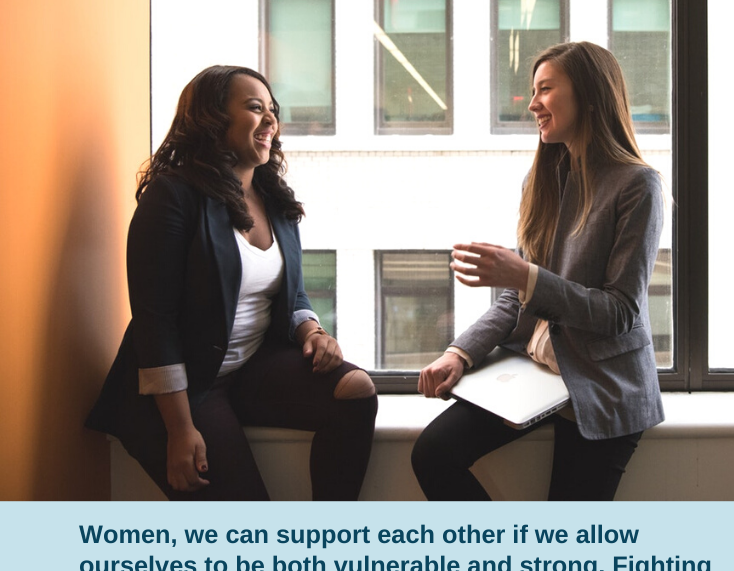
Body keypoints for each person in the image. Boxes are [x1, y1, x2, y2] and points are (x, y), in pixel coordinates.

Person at [86, 65, 377, 501]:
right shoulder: (172, 196)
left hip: (246, 369)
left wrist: (312, 330)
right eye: (255, 108)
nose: (270, 120)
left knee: (356, 391)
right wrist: (180, 430)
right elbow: (155, 322)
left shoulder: (273, 198)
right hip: (182, 391)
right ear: (212, 119)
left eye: (273, 111)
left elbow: (290, 291)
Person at [412, 42, 665, 501]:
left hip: (602, 384)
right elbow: (516, 298)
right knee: (432, 453)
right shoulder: (542, 180)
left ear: (589, 95)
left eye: (545, 90)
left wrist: (525, 277)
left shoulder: (637, 185)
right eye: (533, 91)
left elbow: (620, 312)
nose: (532, 104)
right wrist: (459, 353)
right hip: (537, 371)